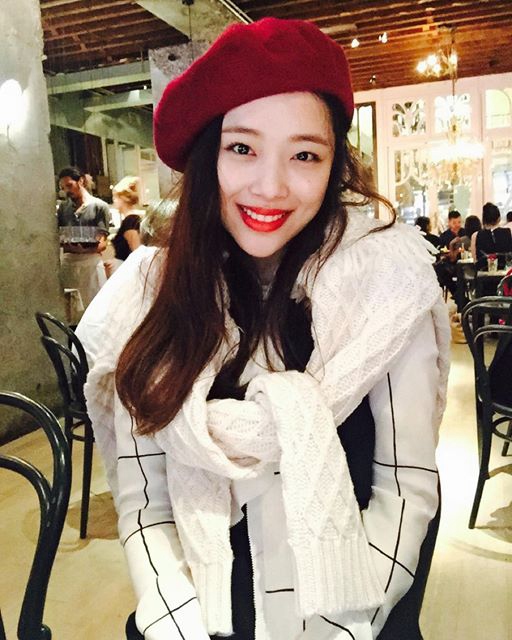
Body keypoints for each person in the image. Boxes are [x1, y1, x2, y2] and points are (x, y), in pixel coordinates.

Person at [77, 18, 450, 640]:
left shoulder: (380, 288)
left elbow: (406, 490)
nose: (271, 186)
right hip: (202, 613)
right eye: (242, 149)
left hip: (355, 610)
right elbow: (147, 506)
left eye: (305, 155)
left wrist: (344, 629)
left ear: (334, 165)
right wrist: (177, 625)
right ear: (208, 157)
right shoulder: (148, 297)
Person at [57, 166, 111, 308]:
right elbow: (61, 237)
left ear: (80, 181)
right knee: (71, 308)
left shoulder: (99, 206)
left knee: (95, 306)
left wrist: (84, 249)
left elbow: (102, 243)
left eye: (69, 185)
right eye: (63, 188)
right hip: (69, 263)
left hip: (90, 264)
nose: (67, 191)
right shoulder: (63, 208)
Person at [472, 201, 512, 270]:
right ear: (499, 218)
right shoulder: (509, 232)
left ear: (484, 219)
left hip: (483, 274)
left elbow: (475, 261)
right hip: (505, 274)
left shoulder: (475, 236)